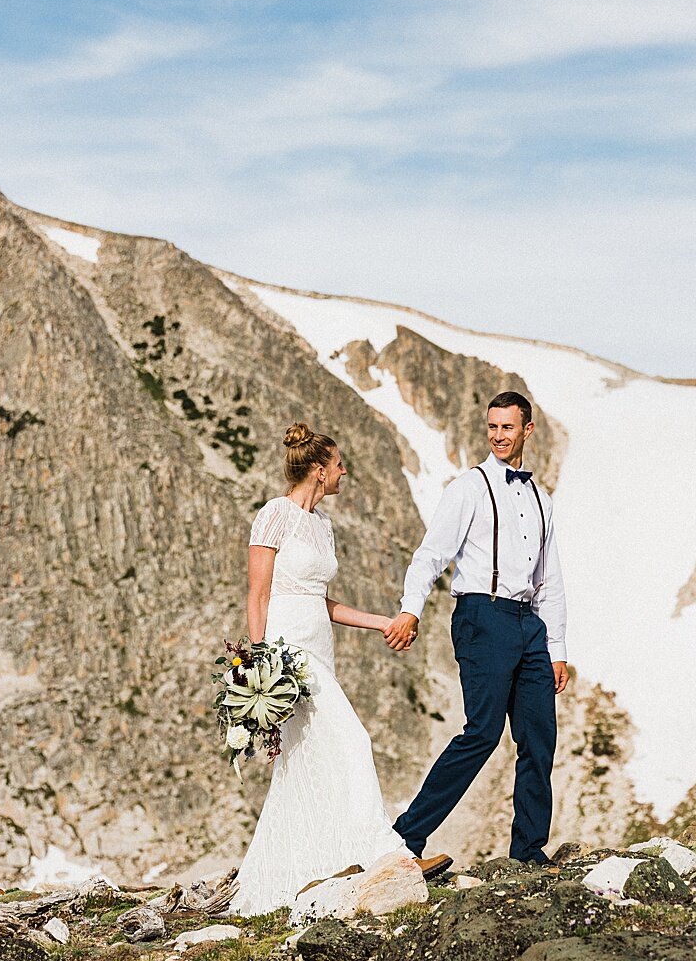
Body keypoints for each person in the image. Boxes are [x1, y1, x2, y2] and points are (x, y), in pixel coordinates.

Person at [231, 423, 449, 916]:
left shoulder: (322, 524)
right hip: (286, 652)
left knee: (307, 762)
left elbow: (322, 601)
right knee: (352, 739)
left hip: (319, 644)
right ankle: (389, 857)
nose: (345, 471)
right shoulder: (274, 516)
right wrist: (259, 663)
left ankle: (292, 879)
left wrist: (381, 623)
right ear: (319, 468)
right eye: (339, 464)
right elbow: (258, 593)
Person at [385, 391, 570, 865]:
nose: (498, 436)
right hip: (481, 616)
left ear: (527, 430)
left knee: (538, 738)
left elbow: (549, 580)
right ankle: (405, 838)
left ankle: (528, 852)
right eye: (492, 427)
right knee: (482, 732)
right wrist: (411, 609)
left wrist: (557, 648)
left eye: (508, 427)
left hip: (529, 623)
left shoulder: (542, 500)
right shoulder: (467, 488)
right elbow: (430, 555)